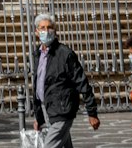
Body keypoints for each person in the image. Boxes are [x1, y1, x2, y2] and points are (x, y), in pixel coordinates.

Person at [32, 14, 100, 147]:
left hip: (62, 109)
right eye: (42, 28)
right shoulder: (38, 54)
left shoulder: (64, 53)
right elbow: (38, 85)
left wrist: (92, 112)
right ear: (37, 32)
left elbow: (81, 82)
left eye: (50, 27)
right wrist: (39, 117)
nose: (46, 31)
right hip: (48, 108)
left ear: (55, 30)